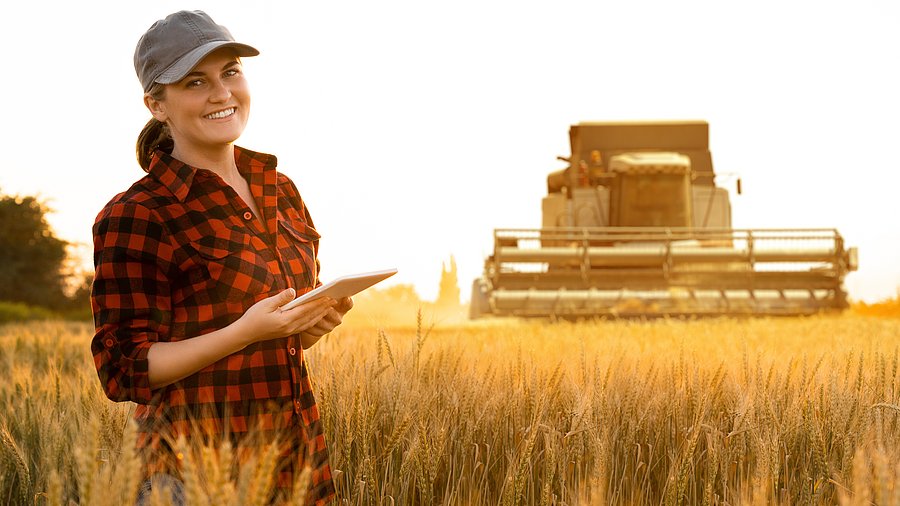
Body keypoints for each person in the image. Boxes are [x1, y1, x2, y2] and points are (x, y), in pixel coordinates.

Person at [90, 10, 349, 504]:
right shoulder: (137, 214)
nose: (221, 93)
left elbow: (274, 332)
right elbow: (123, 368)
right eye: (195, 82)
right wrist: (245, 333)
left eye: (230, 71)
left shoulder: (279, 188)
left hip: (295, 462)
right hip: (191, 479)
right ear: (157, 105)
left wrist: (308, 325)